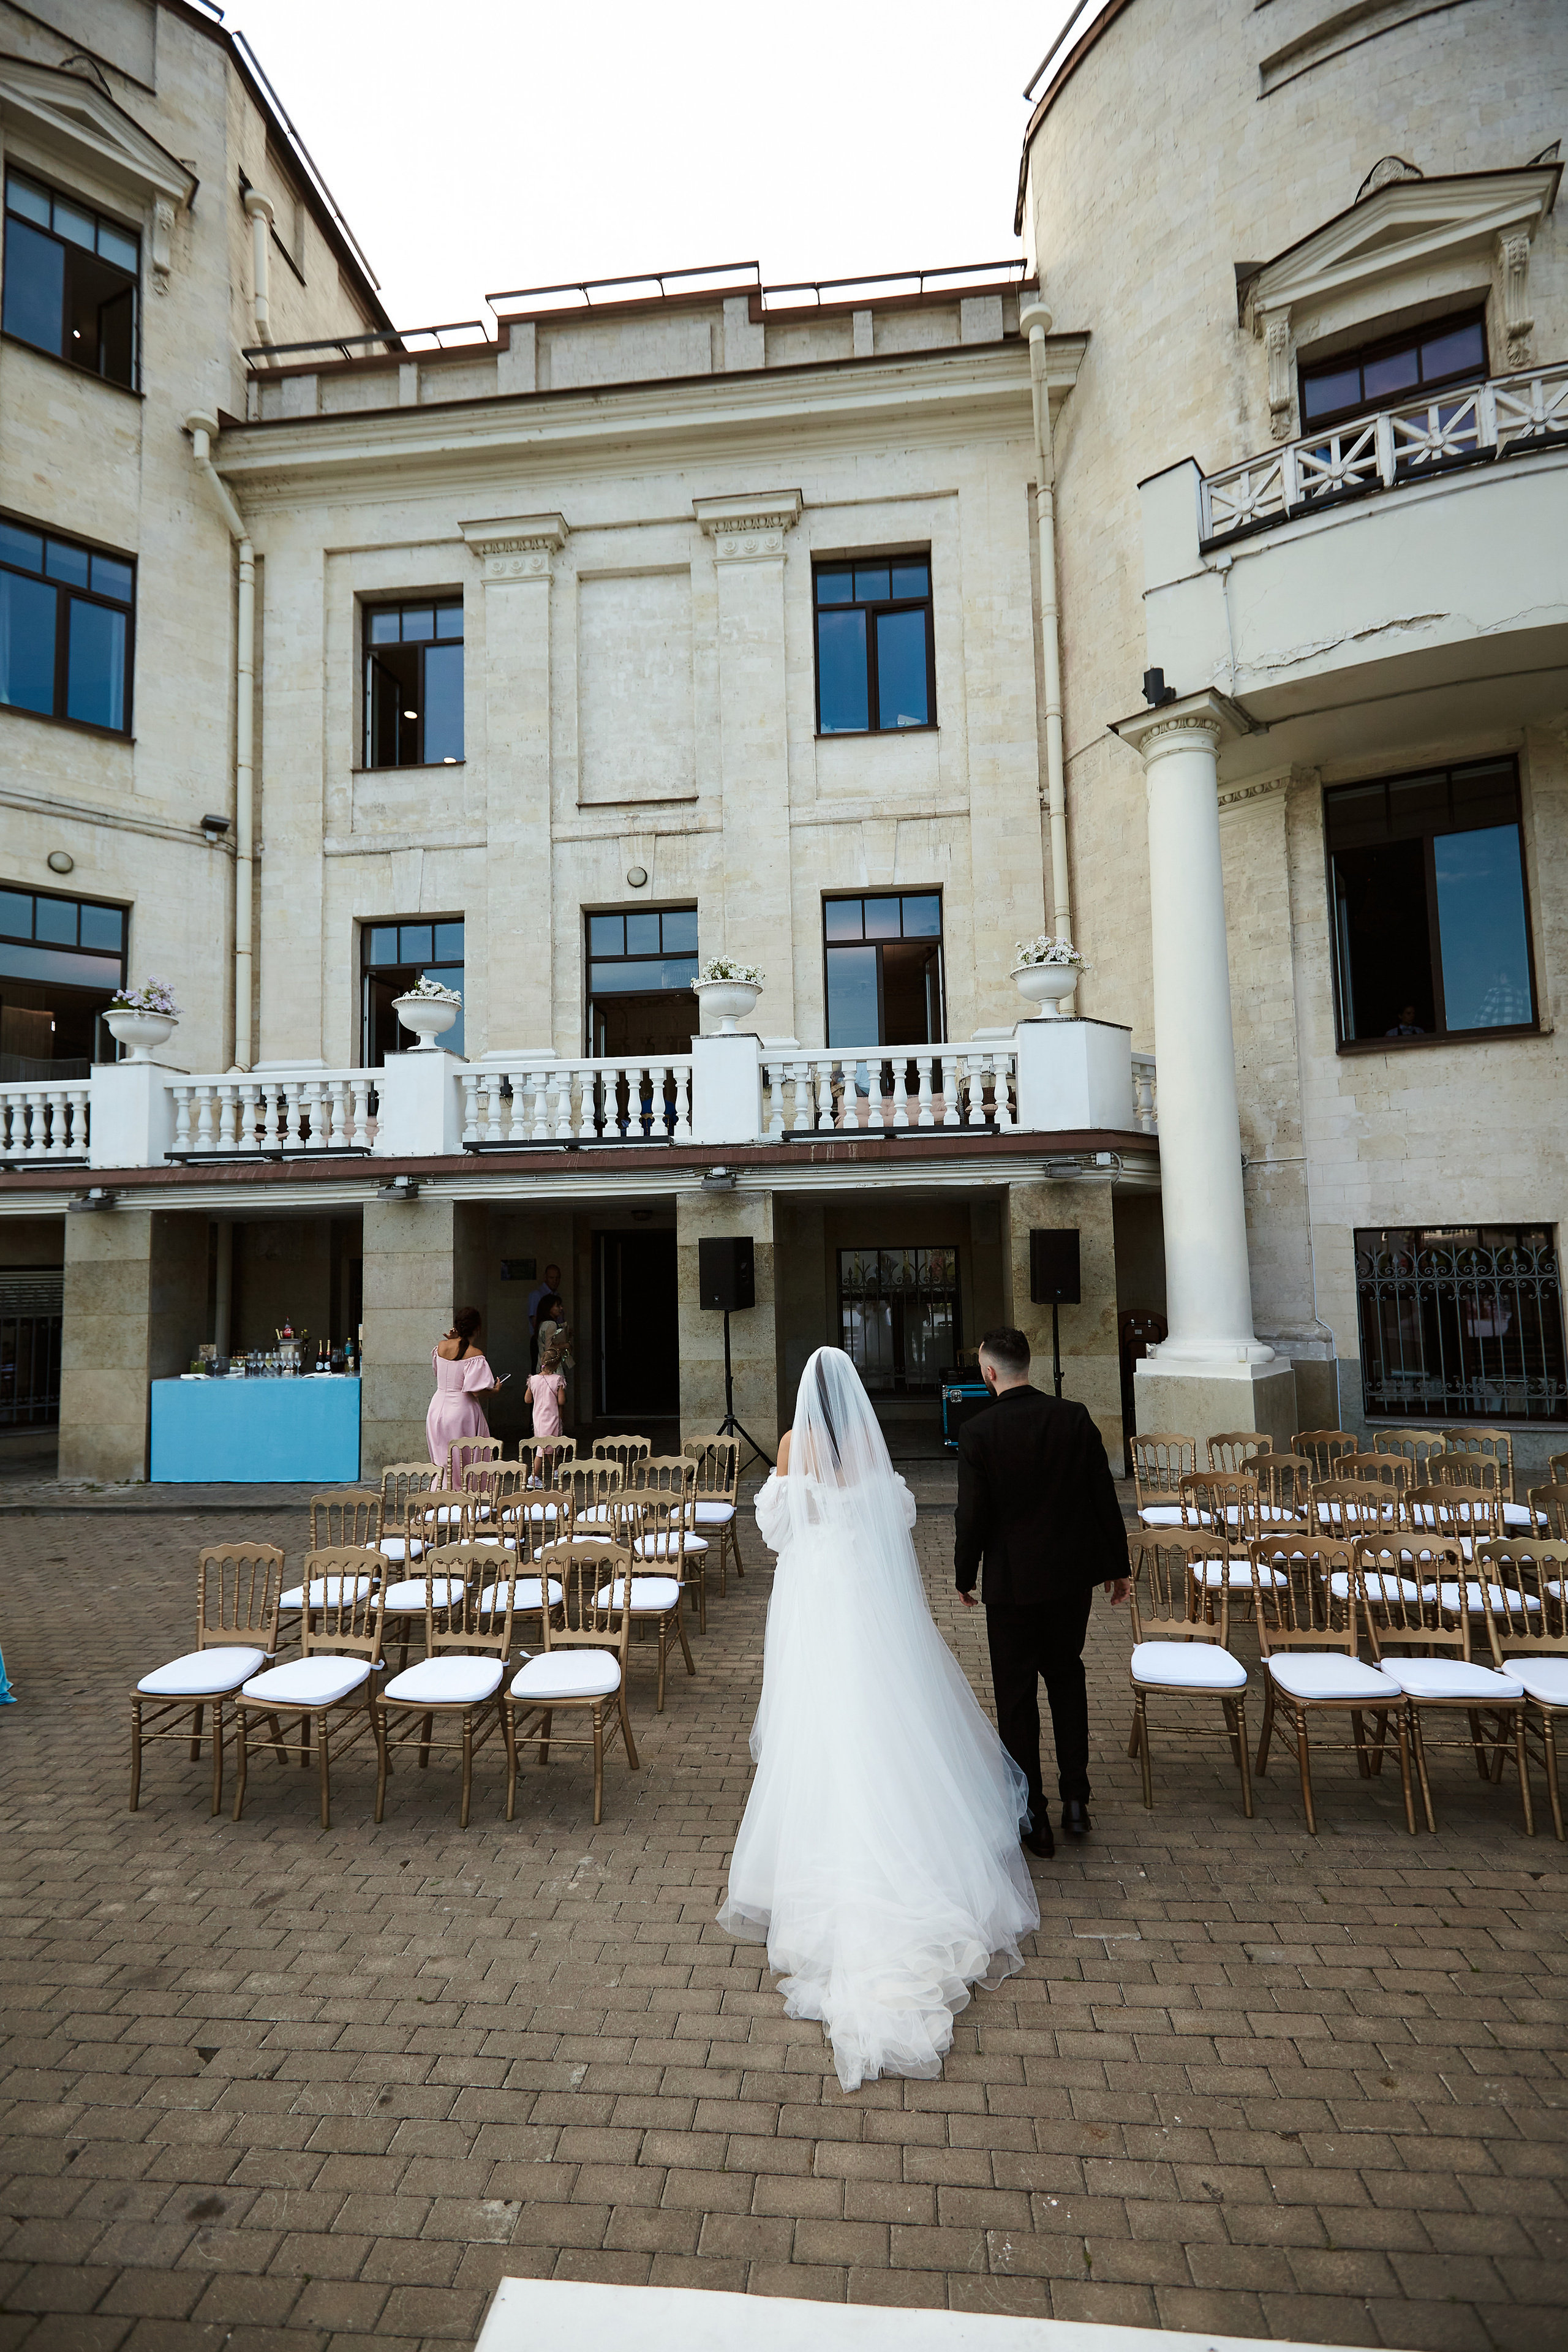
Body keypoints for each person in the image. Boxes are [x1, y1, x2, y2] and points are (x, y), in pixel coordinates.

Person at [720, 1346, 1039, 2092]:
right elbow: (897, 1516)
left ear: (806, 1399)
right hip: (863, 1595)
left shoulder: (795, 1447)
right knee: (882, 1707)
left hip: (814, 1597)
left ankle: (823, 1837)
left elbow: (773, 1526)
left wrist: (794, 1502)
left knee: (817, 1709)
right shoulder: (868, 1444)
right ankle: (904, 1832)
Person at [954, 1327, 1129, 1858]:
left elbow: (973, 1515)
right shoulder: (1073, 1416)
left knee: (1016, 1697)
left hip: (1011, 1584)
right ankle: (1078, 1797)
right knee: (1067, 1678)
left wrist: (965, 1575)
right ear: (1029, 1364)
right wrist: (1116, 1566)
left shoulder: (979, 1430)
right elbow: (1103, 1494)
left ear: (988, 1373)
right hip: (1070, 1578)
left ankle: (1034, 1815)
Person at [426, 1306, 498, 1469]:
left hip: (437, 1408)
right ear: (478, 1328)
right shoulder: (475, 1354)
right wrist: (495, 1391)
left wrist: (454, 1339)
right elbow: (476, 1390)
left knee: (442, 1460)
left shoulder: (442, 1346)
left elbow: (438, 1371)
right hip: (462, 1411)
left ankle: (443, 1490)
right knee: (467, 1460)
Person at [525, 1337, 568, 1450]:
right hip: (552, 1417)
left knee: (544, 1446)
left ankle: (556, 1468)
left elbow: (527, 1400)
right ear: (557, 1365)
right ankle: (539, 1469)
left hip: (538, 1417)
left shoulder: (533, 1379)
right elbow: (561, 1401)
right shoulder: (558, 1379)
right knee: (547, 1447)